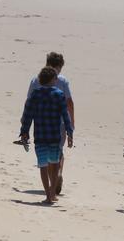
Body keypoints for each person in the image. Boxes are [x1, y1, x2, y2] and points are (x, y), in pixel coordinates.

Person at [20, 66, 74, 205]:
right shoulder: (59, 94)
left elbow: (28, 115)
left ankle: (48, 195)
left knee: (43, 166)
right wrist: (69, 131)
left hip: (40, 136)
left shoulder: (35, 95)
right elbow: (65, 115)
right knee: (55, 165)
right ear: (52, 79)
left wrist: (24, 131)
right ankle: (51, 193)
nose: (57, 80)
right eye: (56, 78)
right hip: (55, 136)